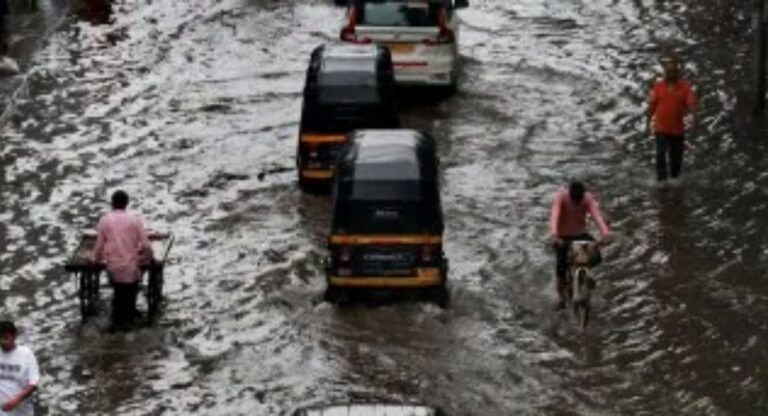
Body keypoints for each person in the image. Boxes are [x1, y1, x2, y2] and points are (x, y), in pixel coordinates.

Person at [91, 190, 154, 330]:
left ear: (112, 204)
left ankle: (117, 321)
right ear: (127, 204)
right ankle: (130, 319)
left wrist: (95, 260)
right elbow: (145, 245)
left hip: (113, 269)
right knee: (130, 294)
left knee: (119, 293)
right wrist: (149, 257)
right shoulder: (135, 220)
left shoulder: (105, 220)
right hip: (131, 270)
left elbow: (99, 247)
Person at [549, 182, 611, 310]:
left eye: (579, 200)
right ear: (570, 195)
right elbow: (554, 216)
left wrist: (605, 233)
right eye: (575, 200)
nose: (577, 203)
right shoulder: (561, 197)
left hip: (581, 234)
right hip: (562, 237)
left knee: (596, 254)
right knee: (560, 269)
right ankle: (561, 299)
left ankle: (584, 279)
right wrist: (554, 235)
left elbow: (596, 216)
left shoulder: (587, 198)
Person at [646, 56, 699, 182]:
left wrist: (695, 119)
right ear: (665, 73)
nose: (670, 74)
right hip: (661, 128)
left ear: (678, 74)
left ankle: (674, 180)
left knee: (676, 158)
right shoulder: (658, 87)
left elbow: (692, 104)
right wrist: (647, 121)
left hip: (677, 130)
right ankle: (662, 181)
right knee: (660, 155)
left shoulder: (685, 88)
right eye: (668, 72)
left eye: (673, 72)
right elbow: (652, 106)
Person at [0, 321, 39, 416]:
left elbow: (33, 384)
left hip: (22, 410)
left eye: (6, 338)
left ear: (14, 336)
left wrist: (16, 401)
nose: (2, 342)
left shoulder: (26, 354)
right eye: (0, 338)